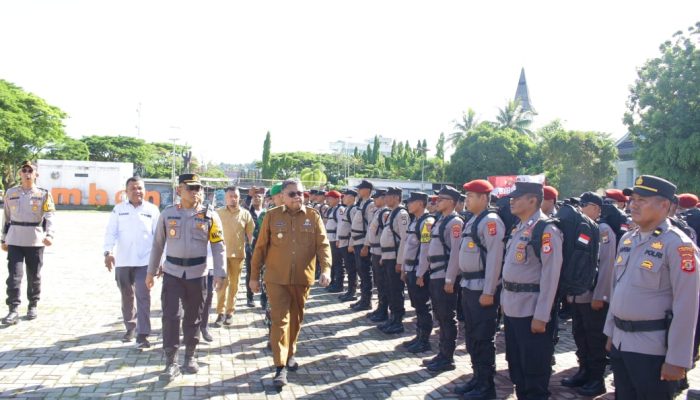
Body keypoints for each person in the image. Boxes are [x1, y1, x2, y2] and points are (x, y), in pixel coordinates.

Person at [604, 175, 700, 400]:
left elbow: (688, 306)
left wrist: (677, 358)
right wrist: (610, 331)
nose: (633, 204)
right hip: (621, 342)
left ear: (665, 205)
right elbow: (617, 288)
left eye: (642, 199)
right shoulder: (628, 239)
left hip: (652, 349)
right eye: (633, 199)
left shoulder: (678, 245)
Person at [250, 178, 332, 388]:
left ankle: (290, 352)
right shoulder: (272, 216)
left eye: (301, 193)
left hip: (302, 278)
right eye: (293, 194)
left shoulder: (313, 216)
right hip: (276, 278)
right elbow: (259, 249)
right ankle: (280, 366)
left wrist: (327, 269)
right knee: (280, 320)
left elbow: (322, 244)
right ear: (283, 197)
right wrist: (253, 277)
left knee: (296, 319)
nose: (298, 197)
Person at [146, 173, 226, 381]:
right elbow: (157, 245)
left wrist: (219, 273)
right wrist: (150, 272)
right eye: (190, 188)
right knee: (171, 316)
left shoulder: (210, 215)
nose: (195, 192)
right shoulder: (168, 214)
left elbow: (218, 246)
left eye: (198, 188)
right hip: (172, 273)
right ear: (179, 190)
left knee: (194, 317)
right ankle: (170, 361)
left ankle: (189, 356)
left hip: (198, 274)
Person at [501, 181, 563, 399]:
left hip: (531, 310)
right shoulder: (518, 227)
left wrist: (542, 315)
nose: (512, 201)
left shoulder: (546, 230)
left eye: (518, 197)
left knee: (534, 367)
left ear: (533, 200)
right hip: (512, 307)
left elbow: (551, 276)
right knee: (516, 364)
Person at [447, 179, 505, 399]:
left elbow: (495, 259)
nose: (467, 200)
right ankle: (477, 378)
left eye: (471, 196)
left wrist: (489, 291)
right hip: (469, 286)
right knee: (471, 335)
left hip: (482, 288)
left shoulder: (491, 221)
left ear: (483, 198)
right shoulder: (472, 220)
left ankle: (486, 386)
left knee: (482, 337)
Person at [561, 192, 612, 396]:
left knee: (594, 338)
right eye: (580, 204)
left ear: (597, 209)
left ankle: (596, 379)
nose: (581, 208)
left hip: (593, 295)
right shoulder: (579, 227)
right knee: (579, 335)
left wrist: (600, 294)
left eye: (586, 205)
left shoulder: (603, 230)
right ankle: (583, 371)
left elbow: (607, 265)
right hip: (578, 293)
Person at [103, 176, 160, 347]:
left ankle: (143, 334)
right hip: (123, 261)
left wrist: (161, 261)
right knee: (126, 296)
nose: (137, 191)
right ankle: (130, 326)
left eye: (140, 188)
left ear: (145, 190)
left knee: (143, 296)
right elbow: (110, 232)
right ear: (126, 191)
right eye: (133, 188)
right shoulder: (118, 210)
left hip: (145, 262)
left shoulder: (152, 210)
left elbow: (159, 237)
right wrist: (108, 252)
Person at [1, 160, 55, 325]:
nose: (27, 173)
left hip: (35, 240)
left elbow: (49, 216)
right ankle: (13, 309)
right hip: (15, 239)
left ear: (36, 174)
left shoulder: (43, 194)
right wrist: (3, 238)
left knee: (34, 275)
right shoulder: (11, 193)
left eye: (30, 170)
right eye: (24, 170)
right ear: (20, 174)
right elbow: (6, 217)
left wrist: (50, 235)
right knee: (14, 276)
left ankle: (33, 304)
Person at [416, 185, 463, 372]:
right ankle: (442, 354)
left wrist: (450, 279)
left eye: (441, 199)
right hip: (435, 273)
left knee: (447, 317)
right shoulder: (439, 220)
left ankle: (447, 357)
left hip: (445, 275)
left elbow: (455, 254)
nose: (436, 202)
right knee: (440, 317)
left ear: (451, 202)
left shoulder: (455, 223)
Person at [399, 191, 435, 353]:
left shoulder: (427, 222)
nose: (408, 205)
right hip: (412, 269)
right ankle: (419, 336)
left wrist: (421, 273)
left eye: (411, 202)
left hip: (420, 272)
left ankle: (424, 340)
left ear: (420, 203)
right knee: (417, 306)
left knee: (423, 306)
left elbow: (426, 250)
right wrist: (406, 269)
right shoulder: (416, 221)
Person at [214, 186, 255, 326]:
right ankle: (220, 313)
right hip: (221, 256)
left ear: (239, 197)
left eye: (236, 196)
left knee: (234, 285)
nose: (233, 198)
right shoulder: (217, 213)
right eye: (230, 196)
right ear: (226, 198)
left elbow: (251, 235)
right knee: (221, 285)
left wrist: (255, 252)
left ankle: (230, 312)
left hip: (238, 255)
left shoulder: (245, 214)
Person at [377, 187, 409, 334]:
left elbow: (404, 238)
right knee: (389, 289)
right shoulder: (392, 213)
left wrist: (400, 261)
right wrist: (384, 257)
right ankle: (392, 318)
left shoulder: (401, 214)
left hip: (395, 257)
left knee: (396, 290)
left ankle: (398, 321)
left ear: (396, 198)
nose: (386, 199)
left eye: (388, 196)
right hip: (388, 256)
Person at [349, 180, 376, 311]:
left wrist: (366, 245)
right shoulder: (362, 204)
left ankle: (367, 301)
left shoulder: (370, 205)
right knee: (361, 272)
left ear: (367, 190)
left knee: (365, 272)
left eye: (360, 189)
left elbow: (371, 226)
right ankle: (363, 299)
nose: (358, 191)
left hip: (363, 242)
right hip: (357, 241)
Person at [365, 189, 389, 321]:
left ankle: (384, 310)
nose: (374, 200)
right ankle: (380, 308)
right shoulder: (378, 212)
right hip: (375, 251)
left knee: (383, 283)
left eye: (377, 198)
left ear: (384, 198)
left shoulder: (385, 213)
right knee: (378, 282)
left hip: (381, 252)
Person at [245, 187, 266, 308]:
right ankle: (250, 297)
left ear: (263, 199)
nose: (257, 198)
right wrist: (249, 195)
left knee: (265, 273)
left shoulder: (267, 212)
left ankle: (264, 298)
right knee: (250, 272)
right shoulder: (248, 212)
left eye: (259, 196)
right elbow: (243, 208)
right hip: (250, 247)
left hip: (264, 247)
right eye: (254, 197)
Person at [337, 189, 358, 302]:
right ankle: (350, 290)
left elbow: (354, 228)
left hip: (349, 242)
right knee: (349, 268)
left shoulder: (354, 209)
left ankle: (352, 292)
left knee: (351, 268)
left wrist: (351, 243)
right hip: (344, 241)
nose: (343, 198)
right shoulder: (348, 209)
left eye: (345, 196)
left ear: (352, 197)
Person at [324, 190, 345, 293]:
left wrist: (338, 239)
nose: (328, 200)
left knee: (338, 263)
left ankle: (339, 285)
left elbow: (341, 225)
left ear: (337, 199)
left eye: (330, 198)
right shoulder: (332, 209)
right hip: (330, 238)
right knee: (332, 262)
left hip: (335, 239)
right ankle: (333, 283)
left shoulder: (340, 209)